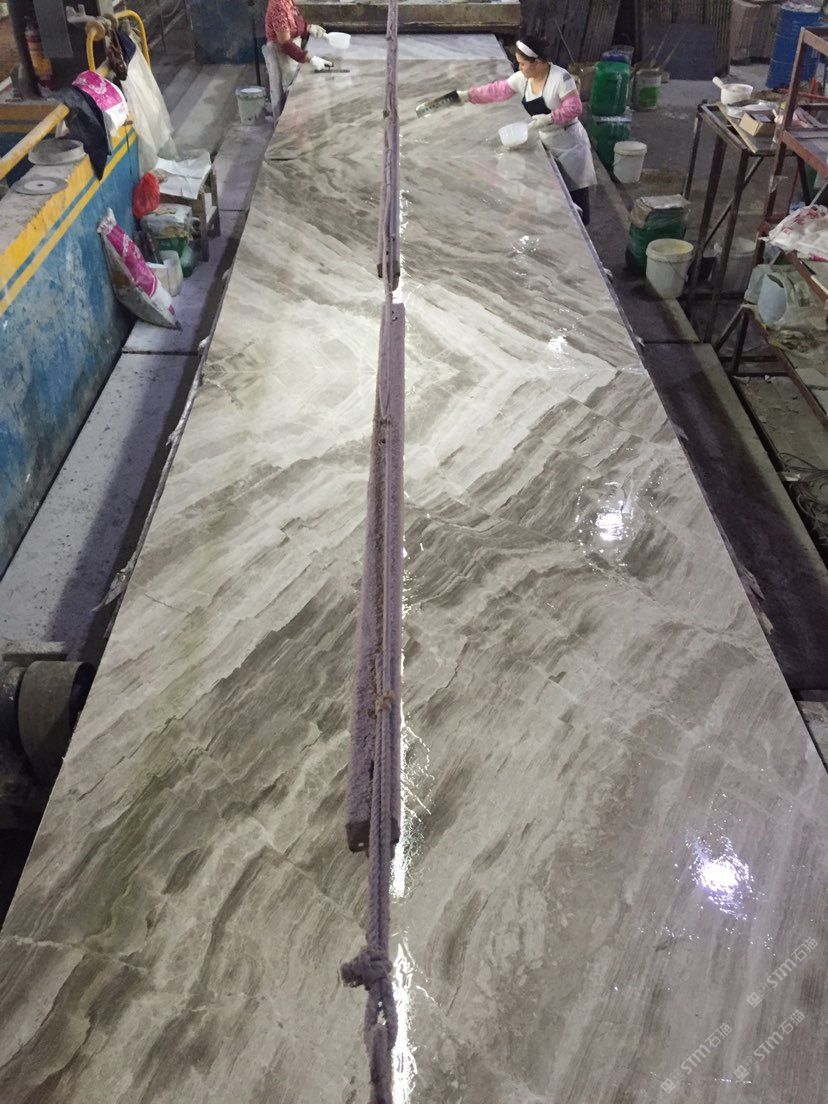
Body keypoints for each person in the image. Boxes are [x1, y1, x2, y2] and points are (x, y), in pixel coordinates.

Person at [441, 35, 596, 225]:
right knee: (555, 195)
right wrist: (467, 96)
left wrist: (550, 118)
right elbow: (497, 91)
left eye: (523, 63)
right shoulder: (523, 79)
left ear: (537, 62)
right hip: (548, 140)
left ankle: (581, 231)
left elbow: (575, 108)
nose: (519, 67)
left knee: (575, 193)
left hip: (570, 145)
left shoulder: (560, 78)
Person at [263, 0, 333, 115]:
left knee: (295, 85)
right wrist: (311, 58)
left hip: (291, 52)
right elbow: (285, 44)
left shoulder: (288, 1)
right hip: (282, 54)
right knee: (289, 91)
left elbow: (294, 21)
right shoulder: (278, 6)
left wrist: (308, 28)